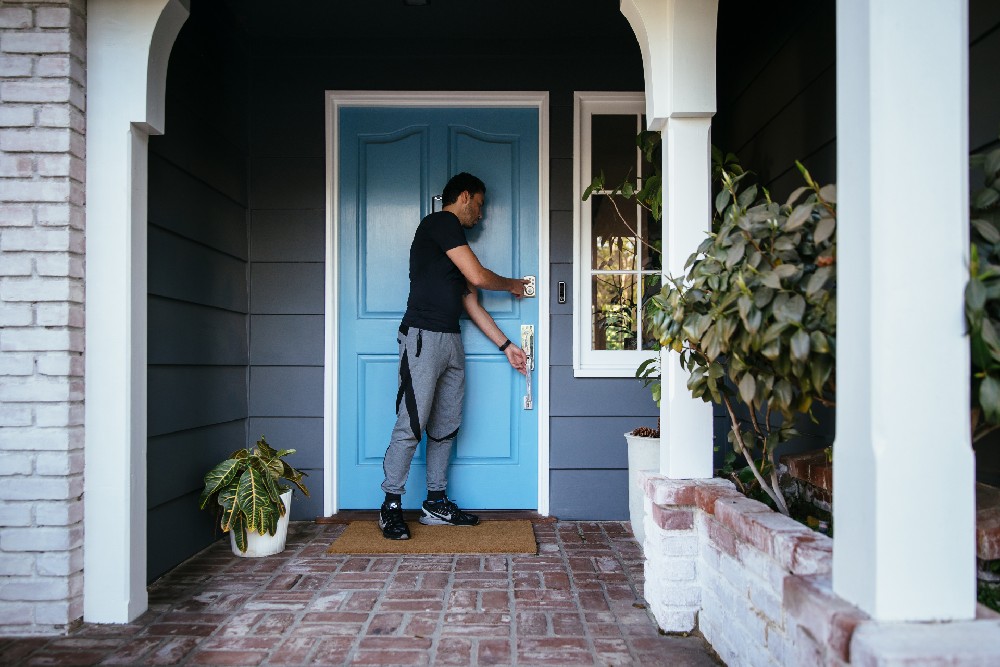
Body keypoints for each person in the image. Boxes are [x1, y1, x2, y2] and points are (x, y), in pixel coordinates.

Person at [378, 172, 529, 540]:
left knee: (445, 426)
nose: (481, 215)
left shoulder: (451, 249)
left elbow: (470, 302)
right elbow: (477, 277)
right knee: (412, 423)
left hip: (450, 340)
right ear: (464, 197)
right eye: (479, 205)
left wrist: (506, 345)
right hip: (422, 338)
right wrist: (512, 286)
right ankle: (391, 505)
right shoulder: (439, 223)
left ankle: (435, 502)